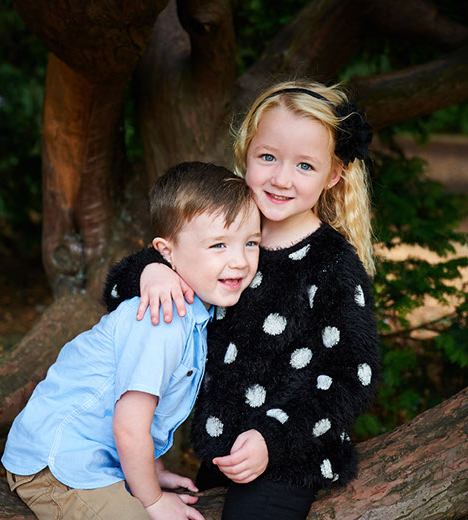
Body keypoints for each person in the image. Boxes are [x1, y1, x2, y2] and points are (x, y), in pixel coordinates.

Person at [103, 81, 380, 520]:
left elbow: (354, 375)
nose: (281, 178)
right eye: (268, 157)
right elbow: (118, 291)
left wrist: (272, 438)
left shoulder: (331, 264)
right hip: (222, 450)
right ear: (246, 153)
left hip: (290, 454)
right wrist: (150, 271)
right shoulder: (222, 228)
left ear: (333, 174)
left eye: (304, 165)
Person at [2, 161, 261, 520]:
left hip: (98, 459)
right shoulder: (164, 322)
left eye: (251, 243)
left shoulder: (196, 314)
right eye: (218, 245)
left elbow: (145, 410)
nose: (240, 261)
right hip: (58, 465)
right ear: (166, 252)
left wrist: (152, 471)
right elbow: (129, 426)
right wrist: (153, 501)